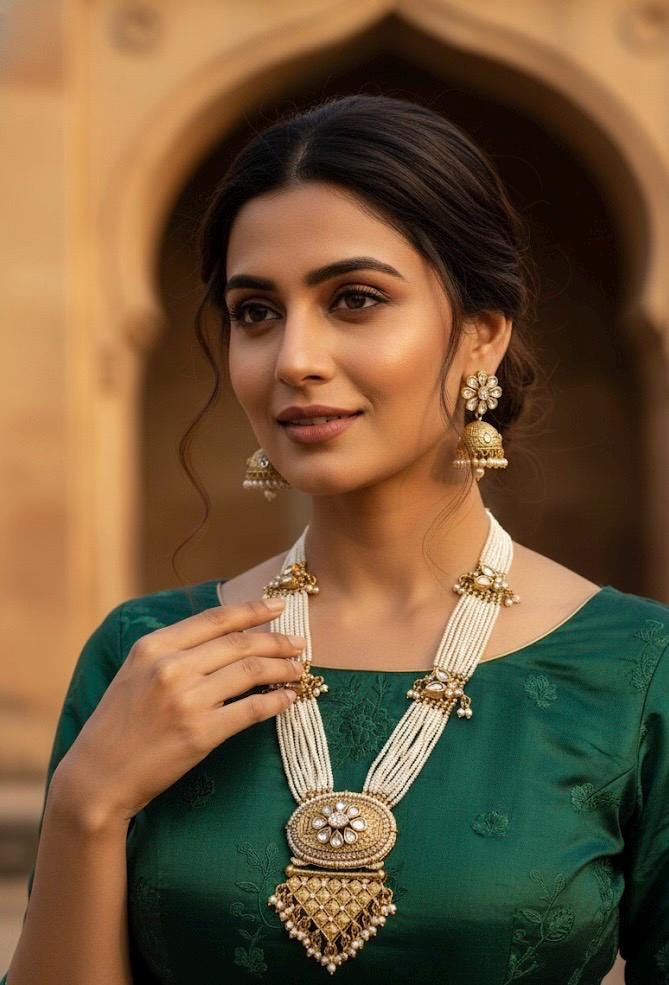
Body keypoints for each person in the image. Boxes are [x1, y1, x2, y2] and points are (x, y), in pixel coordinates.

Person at [4, 93, 669, 985]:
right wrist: (87, 805)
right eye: (255, 312)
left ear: (480, 332)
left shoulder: (635, 670)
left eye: (354, 299)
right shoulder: (148, 659)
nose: (292, 359)